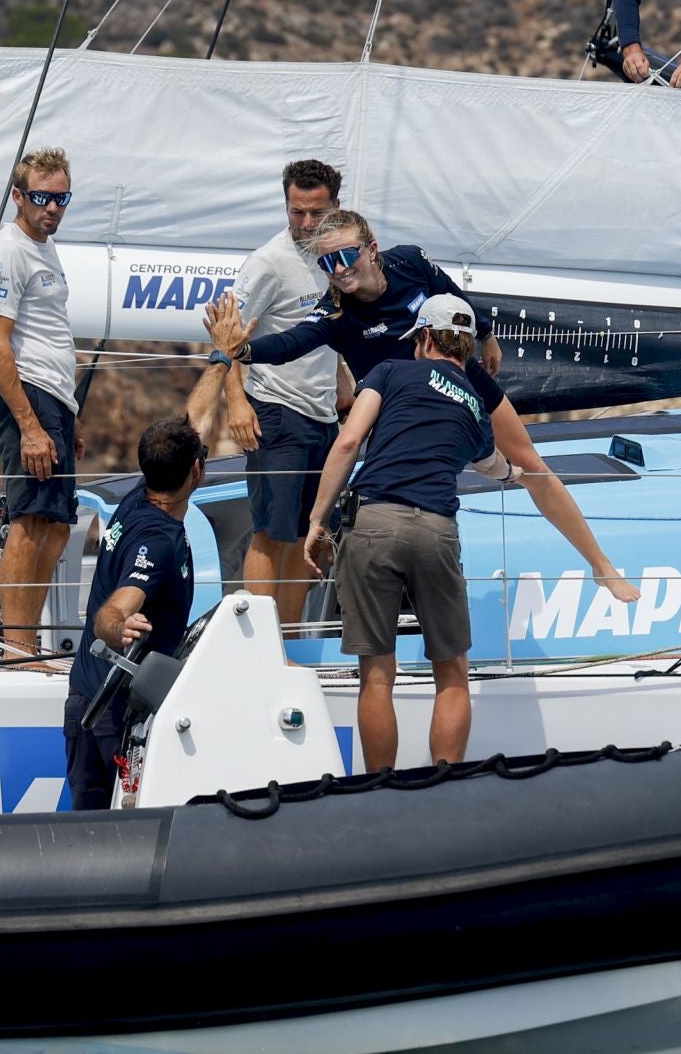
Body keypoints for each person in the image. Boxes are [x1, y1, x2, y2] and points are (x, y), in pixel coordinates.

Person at [204, 209, 639, 606]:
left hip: (462, 380)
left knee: (532, 465)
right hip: (403, 412)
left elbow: (450, 292)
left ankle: (600, 565)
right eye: (326, 263)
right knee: (410, 499)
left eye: (346, 256)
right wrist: (242, 351)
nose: (338, 270)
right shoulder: (335, 311)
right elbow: (291, 343)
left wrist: (485, 334)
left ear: (371, 250)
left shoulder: (410, 261)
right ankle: (408, 609)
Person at [301, 295, 523, 771]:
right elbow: (491, 464)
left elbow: (348, 441)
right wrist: (513, 475)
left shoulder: (390, 372)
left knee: (377, 675)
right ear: (467, 346)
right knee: (453, 676)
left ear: (424, 338)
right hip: (437, 529)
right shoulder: (475, 403)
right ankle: (442, 787)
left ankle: (381, 788)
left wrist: (318, 518)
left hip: (374, 522)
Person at [216, 159, 352, 625]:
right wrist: (237, 401)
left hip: (323, 415)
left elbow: (327, 325)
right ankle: (262, 645)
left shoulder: (335, 257)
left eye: (317, 213)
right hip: (275, 409)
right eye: (297, 212)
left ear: (336, 207)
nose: (307, 223)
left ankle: (288, 642)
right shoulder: (267, 263)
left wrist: (342, 378)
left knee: (308, 536)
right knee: (271, 533)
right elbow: (226, 335)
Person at [61, 412, 207, 811]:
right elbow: (115, 609)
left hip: (86, 697)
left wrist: (218, 374)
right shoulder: (157, 541)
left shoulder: (141, 491)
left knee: (92, 831)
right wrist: (118, 626)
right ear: (196, 470)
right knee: (117, 831)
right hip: (114, 718)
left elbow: (191, 425)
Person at [0, 146, 82, 658]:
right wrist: (31, 427)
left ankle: (28, 642)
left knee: (57, 527)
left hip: (55, 398)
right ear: (18, 197)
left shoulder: (45, 247)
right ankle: (17, 649)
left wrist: (68, 418)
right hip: (28, 396)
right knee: (31, 520)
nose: (53, 207)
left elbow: (51, 332)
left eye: (62, 198)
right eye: (42, 198)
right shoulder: (8, 252)